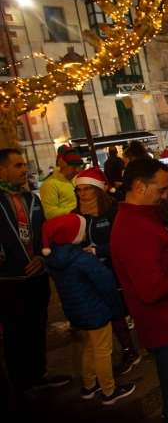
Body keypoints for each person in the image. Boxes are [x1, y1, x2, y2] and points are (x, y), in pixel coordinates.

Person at [111, 158, 168, 423]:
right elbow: (153, 289)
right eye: (160, 190)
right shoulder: (133, 228)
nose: (164, 196)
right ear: (139, 187)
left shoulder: (142, 218)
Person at [0, 149, 71, 406]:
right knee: (16, 334)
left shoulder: (31, 199)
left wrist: (42, 258)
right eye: (18, 165)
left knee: (37, 327)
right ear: (2, 170)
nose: (24, 170)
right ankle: (22, 384)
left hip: (37, 276)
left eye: (24, 165)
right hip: (9, 281)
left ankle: (39, 373)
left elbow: (43, 233)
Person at [41, 214, 136, 405]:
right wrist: (117, 310)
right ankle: (109, 390)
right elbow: (107, 284)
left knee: (89, 348)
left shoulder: (55, 258)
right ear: (74, 235)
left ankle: (89, 385)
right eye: (81, 229)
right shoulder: (84, 259)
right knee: (103, 351)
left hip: (77, 313)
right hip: (96, 311)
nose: (84, 232)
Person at [73, 166, 140, 376]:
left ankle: (136, 349)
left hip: (116, 271)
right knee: (107, 315)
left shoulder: (114, 210)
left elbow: (123, 241)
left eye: (87, 189)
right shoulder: (76, 215)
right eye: (79, 190)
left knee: (122, 311)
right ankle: (121, 354)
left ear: (98, 190)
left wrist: (96, 251)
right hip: (92, 276)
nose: (82, 194)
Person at [39, 144, 83, 219]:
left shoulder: (78, 178)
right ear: (63, 165)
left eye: (79, 166)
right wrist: (77, 211)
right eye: (74, 166)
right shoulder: (49, 185)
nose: (77, 170)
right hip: (66, 227)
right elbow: (49, 213)